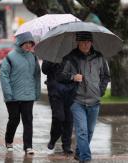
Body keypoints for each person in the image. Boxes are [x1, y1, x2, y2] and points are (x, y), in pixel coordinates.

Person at [59, 31, 110, 163]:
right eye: (83, 42)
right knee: (82, 131)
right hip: (77, 100)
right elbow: (61, 76)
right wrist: (72, 77)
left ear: (92, 42)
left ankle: (78, 153)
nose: (86, 44)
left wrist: (101, 91)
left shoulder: (99, 57)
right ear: (78, 43)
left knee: (89, 131)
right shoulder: (70, 58)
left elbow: (106, 75)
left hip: (94, 100)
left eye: (88, 42)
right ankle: (86, 159)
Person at [0, 31, 41, 154]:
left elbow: (37, 76)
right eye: (26, 43)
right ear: (20, 43)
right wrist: (8, 94)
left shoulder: (33, 57)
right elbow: (4, 76)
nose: (29, 45)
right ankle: (9, 141)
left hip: (28, 95)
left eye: (30, 43)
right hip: (12, 96)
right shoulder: (10, 57)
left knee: (28, 120)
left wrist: (36, 92)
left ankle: (28, 146)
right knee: (14, 119)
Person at [41, 60, 73, 154]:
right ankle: (53, 138)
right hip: (55, 91)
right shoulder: (52, 55)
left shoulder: (73, 54)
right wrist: (53, 61)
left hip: (70, 91)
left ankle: (66, 145)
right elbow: (44, 70)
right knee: (59, 117)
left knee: (69, 119)